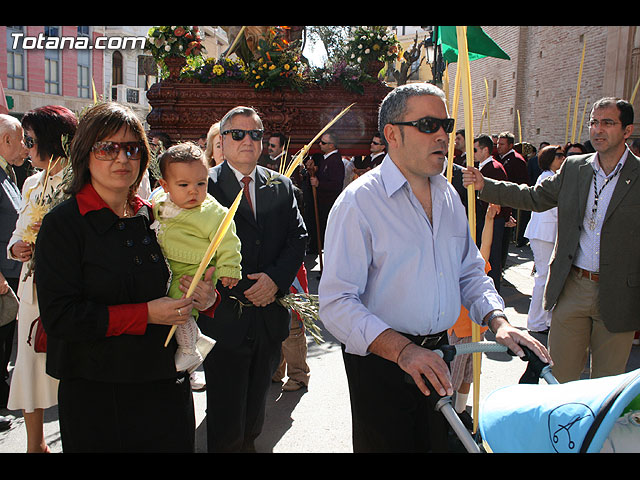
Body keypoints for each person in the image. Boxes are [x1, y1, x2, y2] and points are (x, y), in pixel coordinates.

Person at [318, 82, 551, 453]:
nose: (444, 135)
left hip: (440, 356)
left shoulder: (447, 193)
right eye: (428, 124)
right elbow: (336, 303)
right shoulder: (358, 204)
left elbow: (470, 270)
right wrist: (403, 352)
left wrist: (498, 321)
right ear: (392, 134)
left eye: (447, 124)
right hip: (382, 366)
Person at [34, 102, 218, 452]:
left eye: (132, 148)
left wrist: (204, 297)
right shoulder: (64, 224)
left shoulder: (159, 216)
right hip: (99, 394)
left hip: (165, 383)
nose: (121, 159)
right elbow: (61, 317)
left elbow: (184, 277)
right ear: (86, 154)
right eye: (107, 148)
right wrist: (145, 314)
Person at [463, 97, 639, 384]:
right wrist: (486, 185)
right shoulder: (574, 167)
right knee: (559, 376)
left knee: (606, 385)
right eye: (594, 122)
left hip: (619, 293)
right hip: (572, 287)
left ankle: (594, 431)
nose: (598, 129)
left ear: (627, 130)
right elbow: (534, 197)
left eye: (608, 122)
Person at [204, 106, 307, 452]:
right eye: (238, 134)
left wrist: (275, 282)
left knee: (255, 410)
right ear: (222, 140)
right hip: (225, 316)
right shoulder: (205, 185)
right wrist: (251, 288)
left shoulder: (281, 185)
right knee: (224, 410)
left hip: (268, 315)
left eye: (256, 134)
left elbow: (298, 238)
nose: (248, 140)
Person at [6, 105, 77, 452]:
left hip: (68, 289)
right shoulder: (32, 182)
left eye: (30, 141)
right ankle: (36, 446)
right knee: (29, 365)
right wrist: (17, 246)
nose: (26, 149)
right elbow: (20, 230)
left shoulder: (81, 179)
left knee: (70, 370)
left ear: (51, 140)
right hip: (30, 289)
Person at [152, 142, 242, 374]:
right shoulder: (159, 203)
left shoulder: (213, 212)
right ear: (165, 185)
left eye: (201, 183)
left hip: (192, 269)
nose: (194, 190)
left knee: (179, 309)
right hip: (166, 263)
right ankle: (196, 340)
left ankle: (189, 348)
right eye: (183, 184)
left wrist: (229, 268)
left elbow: (228, 240)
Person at [448, 203, 498, 429]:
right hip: (458, 332)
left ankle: (460, 411)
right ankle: (447, 418)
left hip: (477, 331)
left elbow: (485, 245)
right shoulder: (449, 264)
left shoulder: (474, 264)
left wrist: (489, 219)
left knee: (470, 375)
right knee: (454, 377)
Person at [0, 114, 28, 432]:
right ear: (6, 140)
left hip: (11, 274)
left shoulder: (9, 174)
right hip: (1, 275)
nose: (23, 147)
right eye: (21, 140)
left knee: (4, 342)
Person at [522, 145, 566, 337]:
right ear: (549, 159)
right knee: (543, 278)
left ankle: (543, 319)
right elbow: (555, 209)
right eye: (559, 155)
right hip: (544, 233)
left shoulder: (549, 176)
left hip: (546, 232)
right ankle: (536, 321)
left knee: (546, 278)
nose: (562, 158)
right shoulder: (548, 178)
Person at [474, 134, 510, 293]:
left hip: (493, 220)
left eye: (475, 150)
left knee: (492, 259)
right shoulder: (481, 167)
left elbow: (502, 195)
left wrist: (505, 215)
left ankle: (493, 293)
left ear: (485, 150)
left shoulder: (495, 169)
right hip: (483, 219)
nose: (472, 153)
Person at [272, 263, 311, 392]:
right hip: (271, 284)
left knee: (293, 334)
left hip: (291, 285)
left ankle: (299, 375)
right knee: (275, 331)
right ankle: (276, 370)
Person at [306, 131, 344, 246]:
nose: (320, 144)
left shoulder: (335, 161)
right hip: (321, 201)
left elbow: (336, 184)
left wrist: (319, 184)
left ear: (331, 145)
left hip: (328, 202)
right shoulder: (326, 159)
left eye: (323, 143)